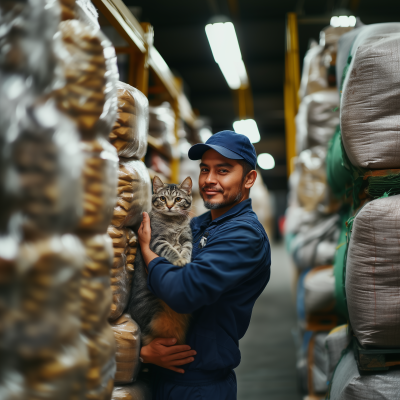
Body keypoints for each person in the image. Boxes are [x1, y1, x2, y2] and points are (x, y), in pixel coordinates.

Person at [137, 130, 271, 399]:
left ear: (249, 179)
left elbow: (184, 292)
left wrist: (146, 251)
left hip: (198, 386)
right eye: (204, 169)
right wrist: (142, 351)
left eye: (223, 171)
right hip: (161, 374)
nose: (209, 180)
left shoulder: (244, 235)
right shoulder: (201, 224)